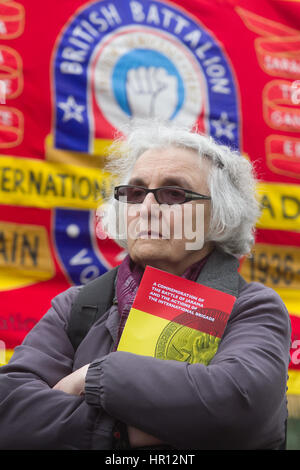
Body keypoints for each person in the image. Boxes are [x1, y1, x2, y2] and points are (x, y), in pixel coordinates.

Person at [0, 121, 291, 450]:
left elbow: (240, 404)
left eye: (174, 194)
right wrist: (120, 435)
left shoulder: (253, 307)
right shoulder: (77, 305)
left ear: (219, 218)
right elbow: (9, 410)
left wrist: (96, 374)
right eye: (135, 194)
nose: (147, 210)